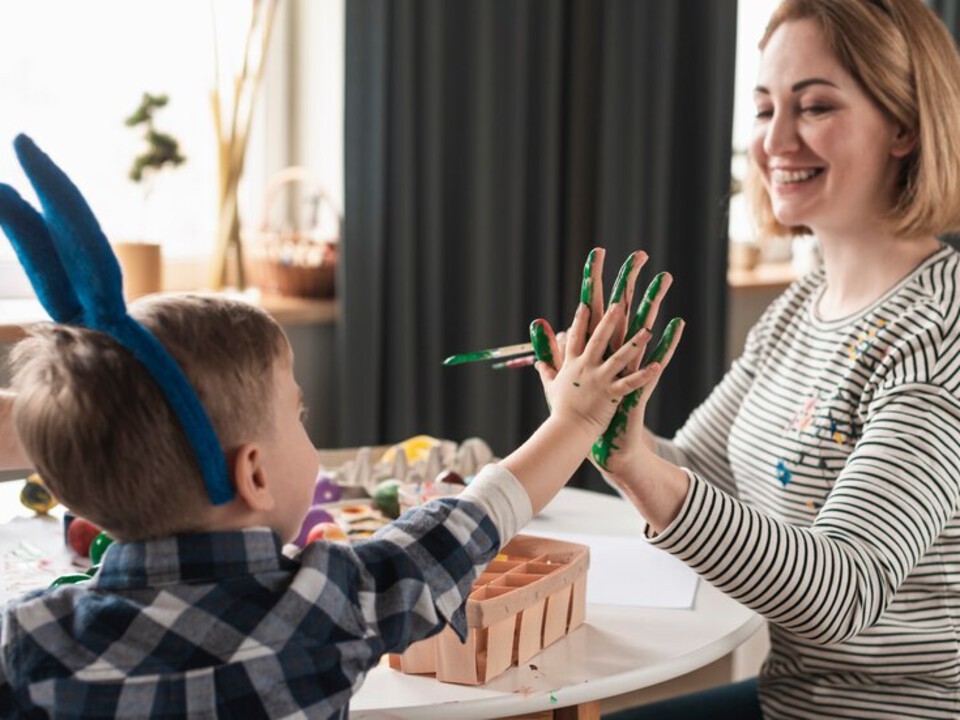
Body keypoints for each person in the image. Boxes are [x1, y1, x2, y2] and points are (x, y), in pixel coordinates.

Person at [535, 1, 960, 718]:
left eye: (816, 106)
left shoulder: (939, 334)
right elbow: (700, 472)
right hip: (789, 698)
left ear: (907, 127)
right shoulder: (803, 304)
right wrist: (607, 429)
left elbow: (841, 595)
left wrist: (637, 466)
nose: (776, 141)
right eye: (765, 110)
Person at [0, 284, 673, 717]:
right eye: (299, 415)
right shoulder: (325, 605)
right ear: (254, 475)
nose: (308, 431)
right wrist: (576, 421)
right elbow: (473, 521)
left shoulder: (30, 641)